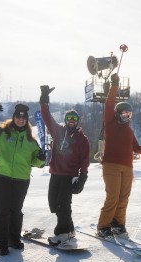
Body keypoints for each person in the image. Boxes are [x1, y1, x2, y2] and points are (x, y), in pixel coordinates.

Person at [96, 73, 141, 238]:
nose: (127, 117)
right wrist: (114, 85)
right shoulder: (110, 124)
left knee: (123, 198)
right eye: (124, 114)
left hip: (127, 167)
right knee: (112, 197)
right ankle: (103, 226)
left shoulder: (129, 130)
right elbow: (109, 104)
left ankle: (118, 224)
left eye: (129, 115)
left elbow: (136, 147)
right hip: (111, 165)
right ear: (118, 113)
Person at [0, 102, 46, 256]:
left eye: (23, 117)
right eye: (18, 116)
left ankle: (14, 239)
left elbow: (36, 161)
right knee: (1, 210)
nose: (21, 119)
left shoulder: (31, 142)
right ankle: (3, 243)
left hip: (21, 180)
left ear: (26, 120)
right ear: (14, 117)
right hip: (2, 177)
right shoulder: (2, 133)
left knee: (16, 211)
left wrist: (41, 159)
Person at [39, 86, 90, 245]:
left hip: (69, 176)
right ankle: (70, 228)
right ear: (65, 120)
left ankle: (63, 233)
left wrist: (82, 177)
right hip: (55, 173)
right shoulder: (58, 131)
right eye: (69, 119)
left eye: (74, 119)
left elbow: (84, 160)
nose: (71, 122)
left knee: (63, 204)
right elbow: (46, 117)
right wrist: (44, 98)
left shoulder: (83, 139)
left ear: (77, 121)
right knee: (54, 203)